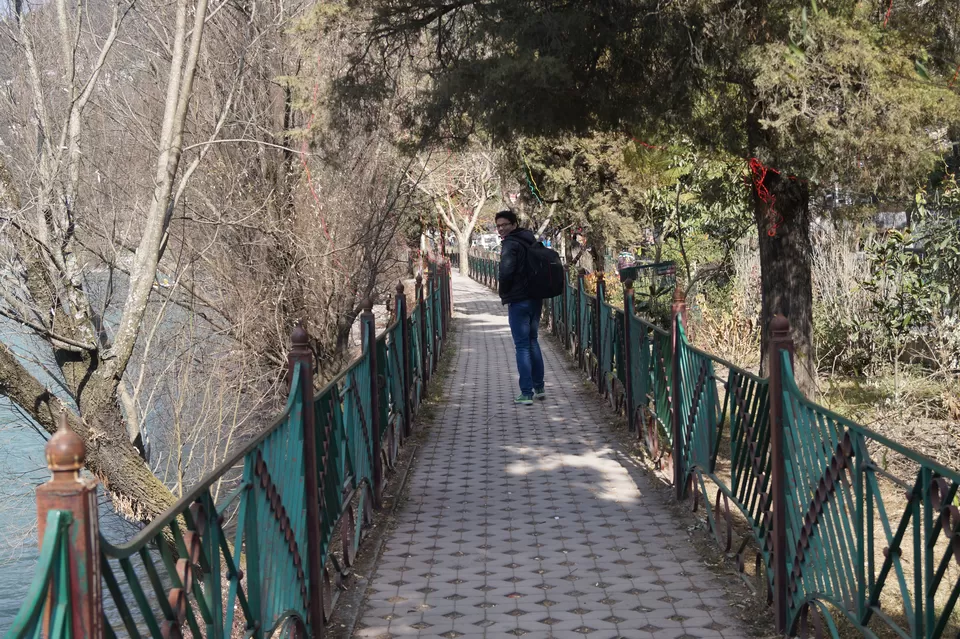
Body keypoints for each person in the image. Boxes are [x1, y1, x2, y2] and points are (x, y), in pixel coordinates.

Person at [495, 210, 546, 405]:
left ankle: (526, 392)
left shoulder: (511, 244)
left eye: (504, 225)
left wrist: (504, 292)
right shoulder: (529, 239)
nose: (501, 229)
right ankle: (539, 387)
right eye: (498, 226)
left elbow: (506, 272)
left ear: (514, 223)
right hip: (535, 298)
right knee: (532, 341)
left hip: (519, 300)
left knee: (522, 345)